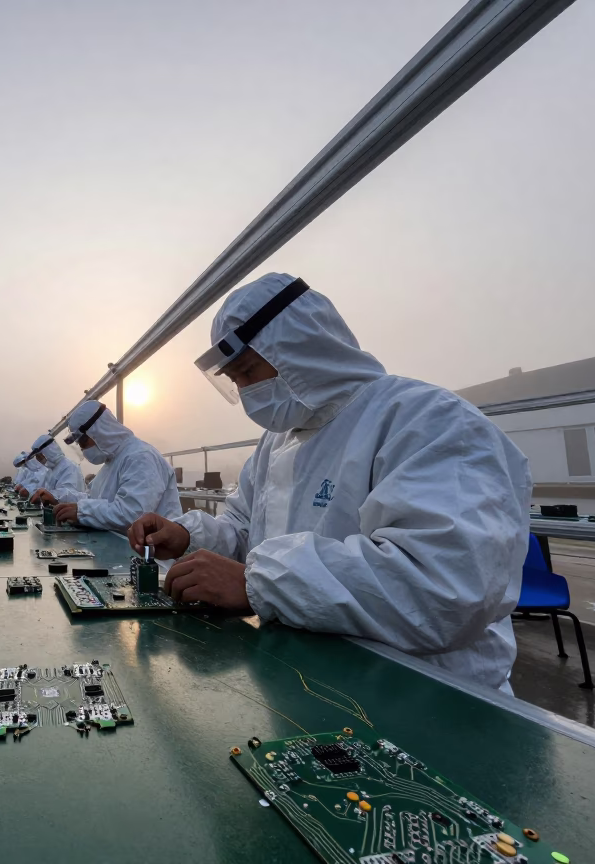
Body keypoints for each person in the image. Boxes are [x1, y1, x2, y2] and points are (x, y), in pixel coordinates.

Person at [128, 273, 531, 691]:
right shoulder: (276, 443)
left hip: (430, 694)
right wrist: (186, 537)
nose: (247, 393)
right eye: (235, 382)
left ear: (296, 348)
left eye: (248, 372)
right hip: (314, 681)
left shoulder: (428, 421)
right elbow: (247, 531)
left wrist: (259, 584)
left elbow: (443, 589)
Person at [53, 401, 182, 532]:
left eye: (83, 441)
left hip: (150, 549)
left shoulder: (141, 457)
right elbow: (93, 499)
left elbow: (132, 514)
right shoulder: (112, 462)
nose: (82, 448)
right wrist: (62, 500)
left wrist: (81, 512)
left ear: (98, 432)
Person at [27, 434, 85, 505]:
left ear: (48, 451)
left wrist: (49, 495)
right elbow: (43, 490)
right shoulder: (50, 470)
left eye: (40, 456)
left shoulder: (70, 467)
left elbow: (69, 495)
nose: (39, 460)